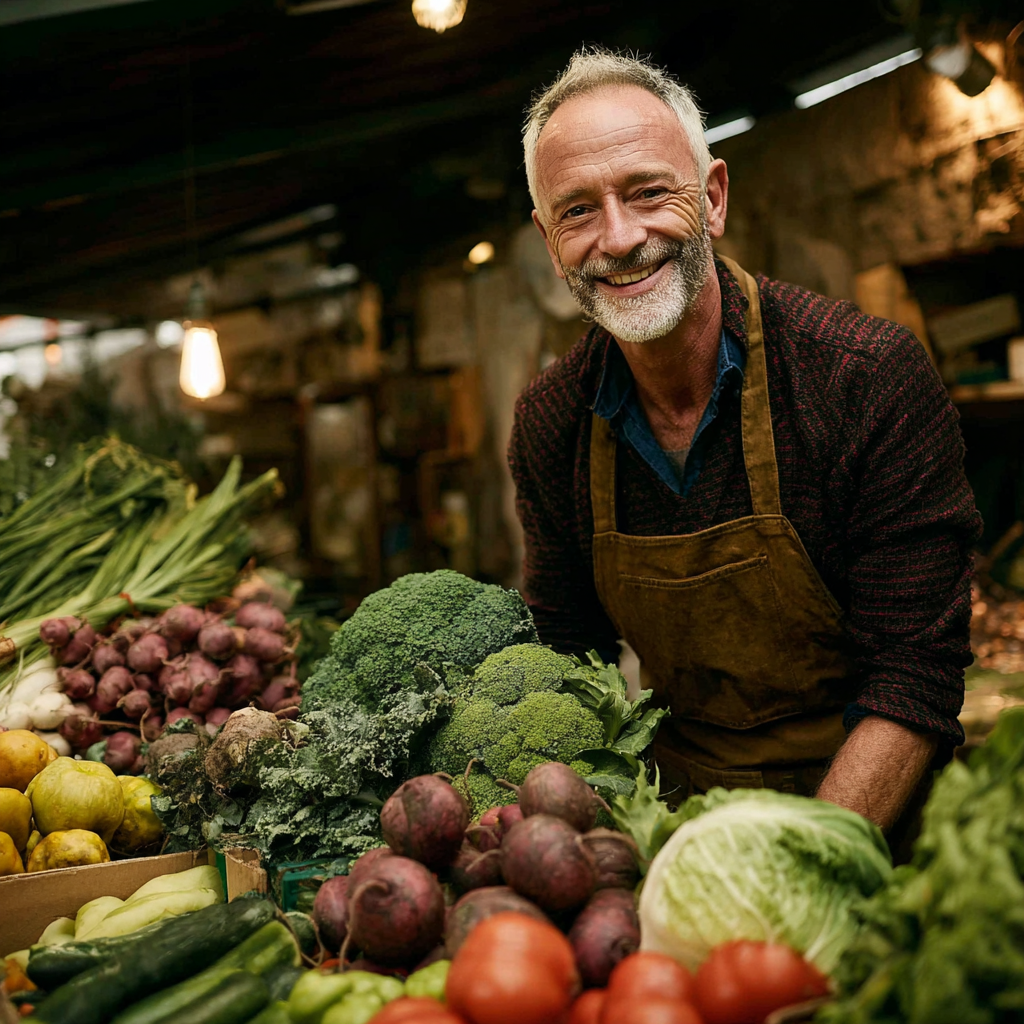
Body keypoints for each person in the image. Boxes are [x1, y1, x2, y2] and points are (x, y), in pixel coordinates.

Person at [508, 48, 982, 832]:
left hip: (876, 829)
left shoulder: (864, 377)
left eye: (648, 192)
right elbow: (569, 656)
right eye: (578, 210)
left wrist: (792, 868)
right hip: (678, 826)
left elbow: (915, 674)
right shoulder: (552, 421)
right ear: (548, 239)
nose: (620, 239)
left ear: (715, 197)